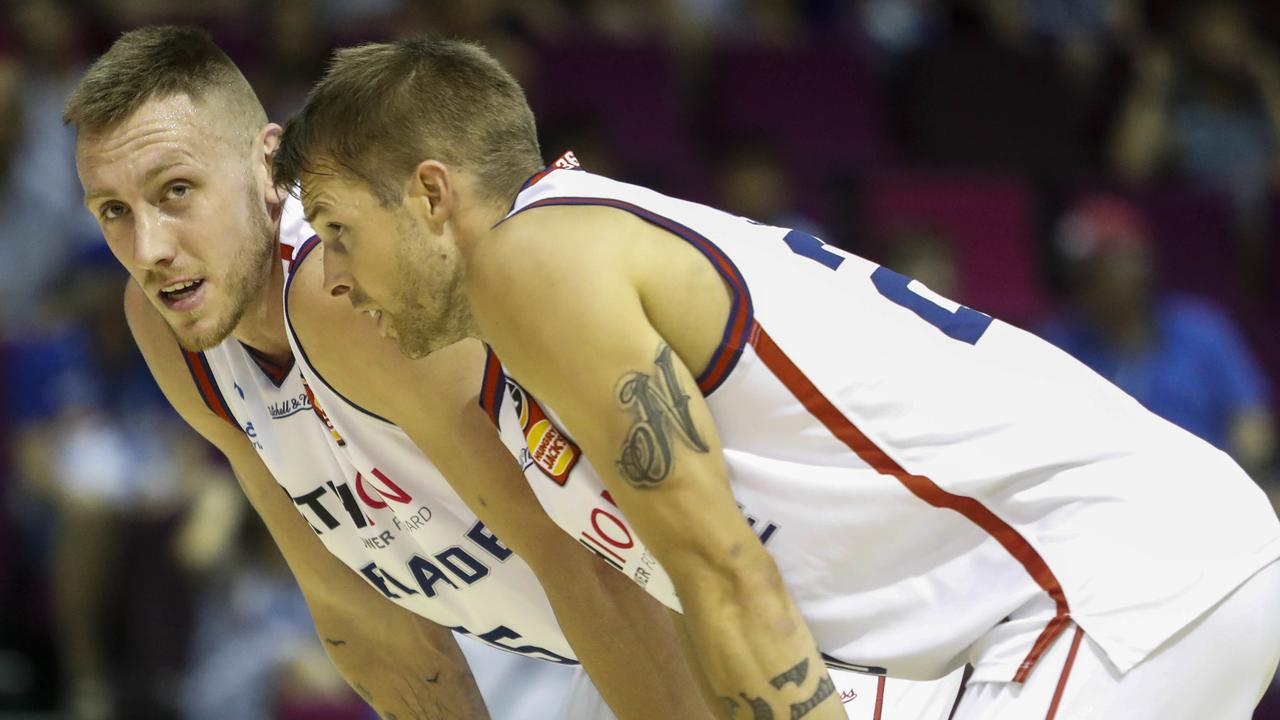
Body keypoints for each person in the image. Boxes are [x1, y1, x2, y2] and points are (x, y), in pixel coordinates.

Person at [274, 37, 1280, 719]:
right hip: (1070, 595)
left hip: (1115, 576)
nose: (337, 277)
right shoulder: (548, 288)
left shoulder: (534, 259)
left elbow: (725, 573)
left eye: (338, 231)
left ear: (432, 194)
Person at [64, 26, 710, 720]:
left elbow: (587, 557)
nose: (149, 248)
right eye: (113, 212)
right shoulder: (167, 324)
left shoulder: (344, 294)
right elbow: (355, 610)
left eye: (178, 191)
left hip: (736, 612)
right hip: (595, 645)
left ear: (269, 165)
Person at [1039, 194, 1275, 479]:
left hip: (1207, 488)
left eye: (1097, 269)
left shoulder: (1201, 327)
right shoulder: (1057, 342)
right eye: (1079, 274)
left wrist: (1237, 474)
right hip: (1106, 496)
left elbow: (1251, 422)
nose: (1086, 286)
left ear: (1139, 262)